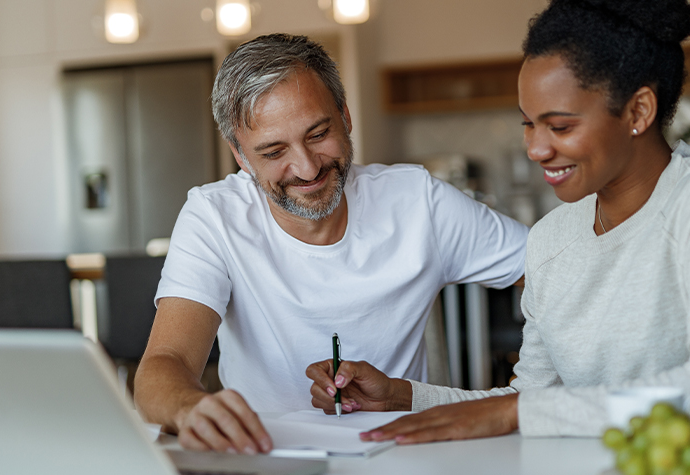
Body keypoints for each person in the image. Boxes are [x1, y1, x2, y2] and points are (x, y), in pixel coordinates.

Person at [306, 0, 690, 442]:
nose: (536, 148)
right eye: (528, 123)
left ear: (638, 111)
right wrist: (401, 396)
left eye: (560, 125)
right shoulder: (552, 239)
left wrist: (517, 410)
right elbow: (533, 400)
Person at [133, 34, 528, 454]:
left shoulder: (418, 202)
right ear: (241, 156)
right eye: (273, 152)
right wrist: (189, 408)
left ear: (345, 115)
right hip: (266, 460)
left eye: (319, 133)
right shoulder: (214, 217)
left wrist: (550, 385)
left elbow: (557, 268)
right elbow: (164, 365)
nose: (306, 168)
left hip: (402, 456)